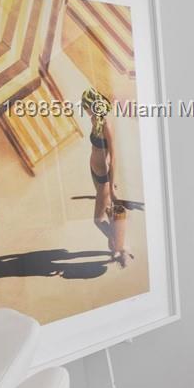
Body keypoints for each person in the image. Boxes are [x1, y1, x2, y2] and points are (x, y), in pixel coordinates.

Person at [82, 88, 132, 267]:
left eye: (85, 106)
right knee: (108, 210)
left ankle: (119, 244)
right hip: (95, 170)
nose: (84, 110)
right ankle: (117, 245)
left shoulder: (106, 125)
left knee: (98, 219)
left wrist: (111, 185)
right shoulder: (95, 120)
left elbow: (114, 155)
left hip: (104, 176)